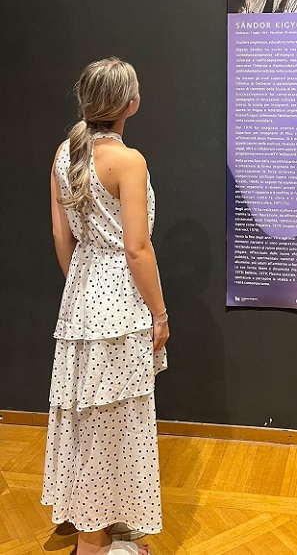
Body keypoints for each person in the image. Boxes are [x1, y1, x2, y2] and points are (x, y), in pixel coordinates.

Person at [42, 58, 169, 555]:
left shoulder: (64, 153)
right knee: (115, 419)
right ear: (130, 104)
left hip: (81, 295)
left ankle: (99, 524)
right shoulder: (128, 160)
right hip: (121, 299)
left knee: (86, 417)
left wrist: (82, 288)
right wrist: (160, 313)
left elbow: (62, 238)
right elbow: (137, 248)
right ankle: (92, 542)